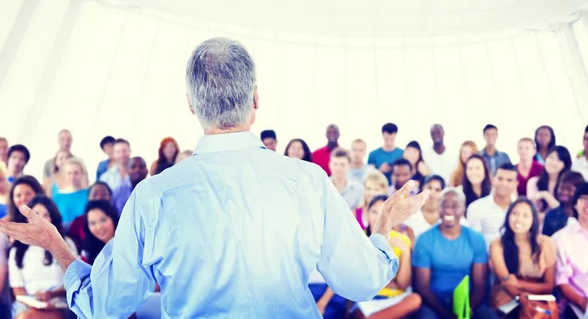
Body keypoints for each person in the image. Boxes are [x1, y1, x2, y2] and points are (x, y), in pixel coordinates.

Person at [0, 37, 429, 318]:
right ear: (256, 98)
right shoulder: (308, 181)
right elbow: (361, 279)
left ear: (191, 103)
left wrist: (55, 244)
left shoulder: (154, 196)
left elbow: (107, 305)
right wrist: (383, 229)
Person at [413, 188, 497, 319]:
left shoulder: (476, 239)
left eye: (455, 205)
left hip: (469, 303)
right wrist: (447, 315)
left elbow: (479, 285)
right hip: (433, 304)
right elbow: (422, 287)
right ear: (438, 207)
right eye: (444, 205)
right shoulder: (424, 240)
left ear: (463, 208)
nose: (448, 210)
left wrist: (466, 310)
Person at [352, 195, 421, 319]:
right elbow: (360, 279)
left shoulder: (402, 240)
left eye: (384, 212)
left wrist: (405, 251)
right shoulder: (358, 240)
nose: (379, 217)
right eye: (374, 212)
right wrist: (390, 282)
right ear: (367, 214)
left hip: (397, 300)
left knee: (415, 299)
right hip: (369, 300)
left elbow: (403, 284)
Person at [8, 196, 77, 319]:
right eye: (36, 214)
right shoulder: (17, 250)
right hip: (28, 304)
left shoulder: (66, 243)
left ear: (52, 218)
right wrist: (36, 303)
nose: (40, 220)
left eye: (46, 215)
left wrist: (51, 294)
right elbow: (18, 291)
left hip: (59, 302)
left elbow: (75, 281)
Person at [489, 198, 558, 318]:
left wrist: (519, 284)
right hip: (508, 295)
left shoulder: (546, 243)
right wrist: (521, 298)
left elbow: (549, 286)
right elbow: (505, 282)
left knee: (541, 314)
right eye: (515, 213)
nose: (519, 219)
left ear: (533, 220)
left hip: (538, 296)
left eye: (526, 215)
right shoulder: (497, 245)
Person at [553, 182, 588, 318]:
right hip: (575, 307)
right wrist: (584, 303)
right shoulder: (560, 238)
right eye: (585, 199)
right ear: (575, 204)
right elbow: (561, 283)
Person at [467, 163, 518, 249]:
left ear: (516, 184)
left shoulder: (521, 208)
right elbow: (474, 243)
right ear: (493, 180)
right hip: (486, 258)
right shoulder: (476, 207)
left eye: (509, 180)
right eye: (500, 179)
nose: (504, 184)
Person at [526, 146, 572, 220]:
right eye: (551, 157)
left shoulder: (568, 185)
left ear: (565, 165)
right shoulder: (533, 182)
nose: (553, 163)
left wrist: (545, 195)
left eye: (559, 160)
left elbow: (564, 214)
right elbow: (530, 212)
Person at [541, 171, 585, 236]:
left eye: (569, 189)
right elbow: (546, 240)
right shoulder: (551, 216)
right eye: (561, 188)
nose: (564, 192)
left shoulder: (587, 215)